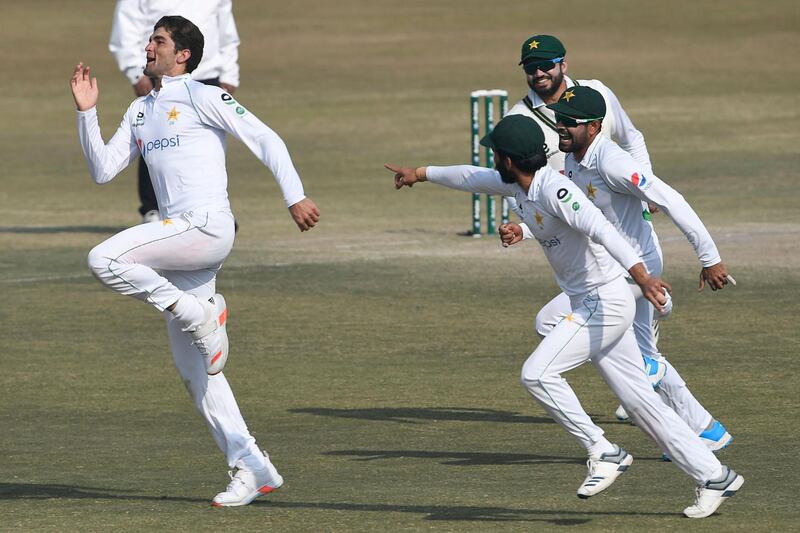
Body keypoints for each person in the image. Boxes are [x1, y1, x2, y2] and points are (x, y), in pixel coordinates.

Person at [386, 114, 743, 518]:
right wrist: (418, 173)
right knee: (640, 401)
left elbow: (603, 230)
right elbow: (468, 176)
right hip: (591, 301)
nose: (493, 163)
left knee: (537, 374)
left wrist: (643, 278)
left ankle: (603, 450)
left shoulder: (556, 188)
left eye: (496, 155)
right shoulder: (515, 183)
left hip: (606, 300)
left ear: (507, 160)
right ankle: (714, 476)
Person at [71, 15, 320, 507]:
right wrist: (86, 113)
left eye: (158, 41)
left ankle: (198, 314)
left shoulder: (204, 96)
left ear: (182, 54)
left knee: (103, 258)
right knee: (196, 372)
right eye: (150, 39)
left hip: (206, 226)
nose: (149, 46)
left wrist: (295, 196)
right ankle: (251, 464)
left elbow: (267, 139)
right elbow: (103, 170)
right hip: (179, 248)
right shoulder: (141, 110)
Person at [508, 34, 731, 444]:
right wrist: (523, 228)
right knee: (571, 330)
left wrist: (709, 257)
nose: (559, 125)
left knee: (640, 361)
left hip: (635, 270)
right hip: (612, 269)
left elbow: (671, 197)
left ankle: (693, 428)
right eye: (530, 67)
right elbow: (574, 215)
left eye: (567, 121)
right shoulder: (573, 159)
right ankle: (705, 431)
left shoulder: (610, 159)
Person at [109, 0, 241, 223]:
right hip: (163, 71)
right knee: (155, 136)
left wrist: (229, 74)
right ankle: (154, 210)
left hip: (206, 74)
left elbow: (226, 31)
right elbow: (126, 27)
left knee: (206, 145)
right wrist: (135, 72)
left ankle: (211, 209)